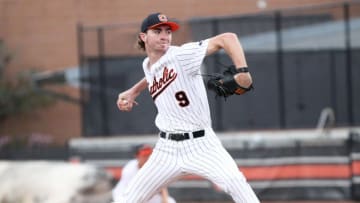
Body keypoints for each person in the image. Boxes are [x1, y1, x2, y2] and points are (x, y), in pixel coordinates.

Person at [113, 12, 260, 203]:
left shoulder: (182, 55)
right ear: (143, 37)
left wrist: (243, 70)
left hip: (202, 144)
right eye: (157, 31)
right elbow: (153, 74)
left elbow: (228, 38)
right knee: (129, 199)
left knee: (235, 183)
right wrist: (134, 91)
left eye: (168, 31)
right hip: (166, 149)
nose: (164, 35)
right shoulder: (147, 64)